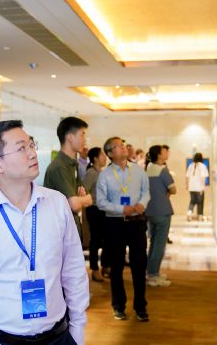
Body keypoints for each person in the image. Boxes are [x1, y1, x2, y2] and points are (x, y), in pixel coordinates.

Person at [0, 120, 89, 345]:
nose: (32, 153)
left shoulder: (57, 204)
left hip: (57, 337)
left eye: (31, 145)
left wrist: (77, 330)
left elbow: (74, 271)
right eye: (21, 148)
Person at [96, 137, 150, 322]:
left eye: (123, 144)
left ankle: (141, 307)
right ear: (110, 153)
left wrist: (142, 204)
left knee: (139, 265)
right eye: (118, 146)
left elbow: (146, 192)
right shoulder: (105, 175)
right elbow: (101, 202)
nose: (123, 147)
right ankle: (118, 306)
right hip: (115, 224)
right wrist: (122, 209)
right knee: (117, 267)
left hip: (137, 222)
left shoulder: (138, 170)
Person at [44, 117, 93, 237]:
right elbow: (74, 205)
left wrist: (79, 200)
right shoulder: (59, 166)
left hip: (71, 228)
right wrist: (80, 200)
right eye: (82, 134)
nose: (85, 140)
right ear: (70, 137)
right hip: (60, 232)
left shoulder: (72, 164)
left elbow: (89, 199)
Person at [145, 145, 176, 287]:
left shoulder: (148, 168)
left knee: (153, 243)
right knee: (159, 244)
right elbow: (173, 189)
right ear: (158, 155)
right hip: (162, 210)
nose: (167, 153)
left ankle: (151, 272)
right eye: (164, 151)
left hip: (150, 210)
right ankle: (153, 275)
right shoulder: (162, 170)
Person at [82, 147, 110, 282]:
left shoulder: (103, 172)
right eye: (102, 155)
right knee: (95, 240)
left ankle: (105, 266)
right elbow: (84, 191)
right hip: (94, 210)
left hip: (104, 210)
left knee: (107, 239)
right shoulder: (91, 173)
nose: (105, 157)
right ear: (95, 158)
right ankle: (94, 269)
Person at [186, 152, 209, 221]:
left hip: (191, 187)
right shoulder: (202, 166)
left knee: (192, 202)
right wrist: (202, 188)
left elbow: (187, 177)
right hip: (199, 188)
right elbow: (203, 178)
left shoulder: (191, 165)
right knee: (200, 202)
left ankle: (189, 214)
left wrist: (187, 186)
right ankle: (200, 216)